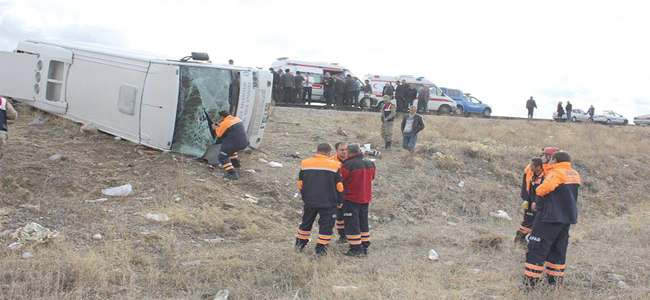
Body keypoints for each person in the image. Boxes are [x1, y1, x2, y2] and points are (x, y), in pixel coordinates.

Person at [524, 151, 581, 287]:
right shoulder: (574, 173)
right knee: (558, 249)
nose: (547, 161)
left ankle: (530, 283)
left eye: (550, 159)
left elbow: (543, 189)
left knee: (536, 247)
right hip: (565, 218)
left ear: (555, 160)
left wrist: (538, 191)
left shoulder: (556, 173)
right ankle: (554, 282)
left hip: (549, 217)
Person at [295, 143, 344, 256]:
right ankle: (321, 249)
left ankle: (299, 245)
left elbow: (300, 183)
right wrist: (340, 200)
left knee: (306, 223)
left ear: (317, 151)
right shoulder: (335, 165)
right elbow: (339, 186)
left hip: (310, 201)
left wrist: (305, 197)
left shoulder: (305, 163)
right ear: (329, 153)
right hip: (329, 202)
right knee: (326, 226)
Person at [341, 144, 376, 256]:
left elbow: (340, 179)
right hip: (365, 197)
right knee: (363, 221)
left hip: (351, 198)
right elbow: (372, 177)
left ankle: (355, 249)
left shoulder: (348, 164)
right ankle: (365, 245)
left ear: (349, 152)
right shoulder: (370, 163)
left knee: (352, 223)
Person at [514, 157, 545, 245]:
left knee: (535, 223)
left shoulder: (543, 175)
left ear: (538, 167)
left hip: (536, 203)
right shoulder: (532, 174)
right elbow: (528, 188)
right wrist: (527, 200)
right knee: (528, 221)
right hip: (530, 201)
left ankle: (526, 240)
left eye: (532, 165)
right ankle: (519, 239)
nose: (529, 166)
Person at [212, 111, 250, 180]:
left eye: (220, 118)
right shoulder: (237, 119)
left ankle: (232, 174)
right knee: (232, 151)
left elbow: (219, 134)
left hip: (235, 143)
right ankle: (236, 165)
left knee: (222, 157)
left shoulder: (225, 123)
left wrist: (215, 128)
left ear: (222, 117)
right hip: (244, 142)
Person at [330, 142, 349, 241]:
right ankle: (342, 236)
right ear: (336, 150)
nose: (344, 152)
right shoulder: (331, 161)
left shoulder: (351, 159)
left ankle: (351, 234)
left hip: (350, 191)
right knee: (339, 216)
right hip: (337, 192)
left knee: (350, 215)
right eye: (342, 150)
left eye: (346, 149)